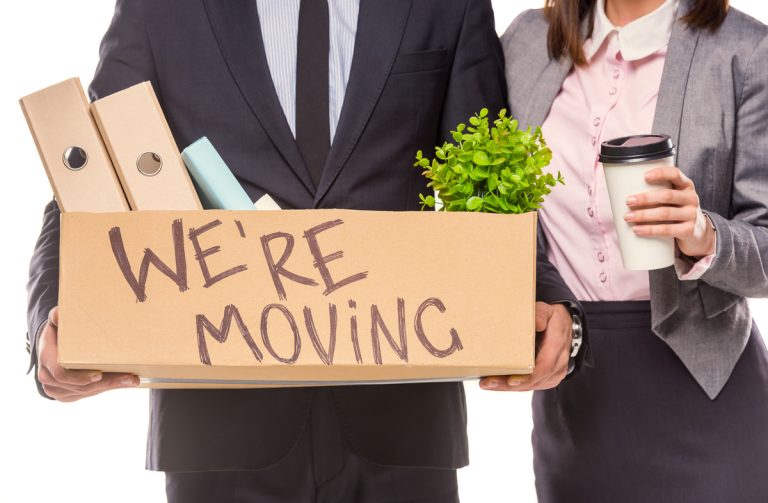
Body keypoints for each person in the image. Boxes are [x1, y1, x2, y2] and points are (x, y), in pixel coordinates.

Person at [26, 1, 583, 501]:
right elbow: (84, 180)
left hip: (403, 419)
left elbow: (489, 187)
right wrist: (52, 320)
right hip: (219, 425)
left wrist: (550, 301)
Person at [494, 0, 768, 501]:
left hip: (707, 391)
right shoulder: (527, 41)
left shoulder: (747, 51)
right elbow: (503, 216)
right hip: (575, 397)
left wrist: (702, 233)